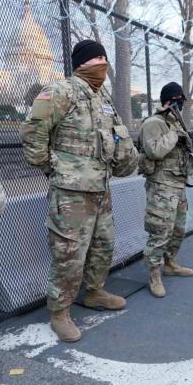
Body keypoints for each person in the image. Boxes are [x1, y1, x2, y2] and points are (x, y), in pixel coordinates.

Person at [21, 40, 139, 343]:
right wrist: (55, 168)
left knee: (102, 246)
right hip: (71, 193)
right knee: (69, 254)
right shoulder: (59, 92)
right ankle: (59, 313)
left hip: (100, 188)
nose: (102, 62)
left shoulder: (102, 98)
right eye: (96, 58)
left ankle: (94, 292)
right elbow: (33, 134)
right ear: (81, 62)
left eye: (104, 57)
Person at [137, 82, 193, 297]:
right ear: (168, 101)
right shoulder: (154, 123)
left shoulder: (178, 123)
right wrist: (176, 134)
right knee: (160, 231)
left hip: (178, 185)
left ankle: (170, 263)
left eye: (181, 100)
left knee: (177, 229)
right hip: (161, 187)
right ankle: (154, 273)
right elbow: (155, 151)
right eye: (177, 99)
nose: (180, 103)